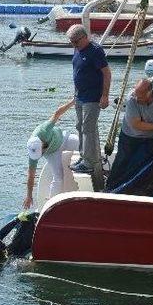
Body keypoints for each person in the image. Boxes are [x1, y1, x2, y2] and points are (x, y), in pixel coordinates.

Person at [66, 24, 111, 190]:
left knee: (88, 128)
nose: (74, 45)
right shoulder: (78, 49)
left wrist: (105, 95)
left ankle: (89, 162)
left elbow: (106, 73)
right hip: (80, 96)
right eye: (71, 43)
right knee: (79, 126)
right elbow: (77, 71)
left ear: (84, 37)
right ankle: (83, 156)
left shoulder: (95, 51)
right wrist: (75, 93)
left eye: (75, 42)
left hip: (92, 97)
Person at [24, 99, 78, 210]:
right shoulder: (33, 152)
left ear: (43, 144)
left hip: (63, 139)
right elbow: (31, 175)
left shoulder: (44, 130)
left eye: (41, 152)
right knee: (58, 177)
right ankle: (50, 206)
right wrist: (29, 196)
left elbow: (58, 113)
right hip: (53, 153)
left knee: (83, 144)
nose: (40, 155)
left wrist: (73, 102)